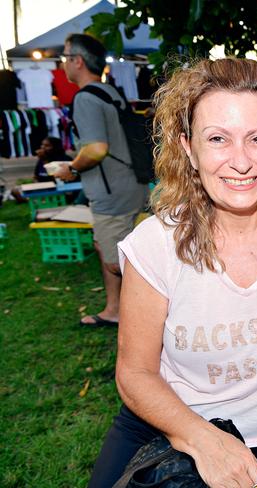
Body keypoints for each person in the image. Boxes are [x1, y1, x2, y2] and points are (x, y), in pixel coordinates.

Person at [87, 58, 257, 488]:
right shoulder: (156, 244)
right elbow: (135, 373)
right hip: (166, 429)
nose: (240, 162)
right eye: (218, 139)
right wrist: (204, 441)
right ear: (189, 148)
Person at [54, 33, 148, 327]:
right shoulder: (110, 91)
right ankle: (114, 308)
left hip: (112, 192)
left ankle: (150, 309)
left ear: (77, 61)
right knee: (104, 245)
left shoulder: (84, 98)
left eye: (65, 57)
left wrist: (71, 168)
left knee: (114, 259)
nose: (63, 64)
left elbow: (96, 149)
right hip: (133, 181)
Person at [10, 136, 71, 203]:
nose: (43, 147)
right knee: (15, 190)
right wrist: (36, 184)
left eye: (47, 145)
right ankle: (36, 200)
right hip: (42, 187)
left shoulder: (63, 159)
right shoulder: (42, 159)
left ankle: (37, 200)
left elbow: (59, 179)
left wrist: (45, 161)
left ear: (55, 147)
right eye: (42, 145)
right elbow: (36, 176)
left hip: (57, 188)